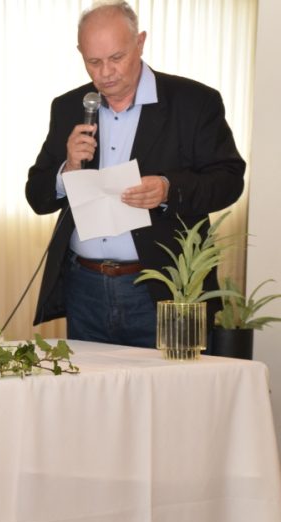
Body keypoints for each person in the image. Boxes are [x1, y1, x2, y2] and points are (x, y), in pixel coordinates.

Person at [25, 1, 245, 347]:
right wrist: (67, 169)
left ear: (140, 43)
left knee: (169, 384)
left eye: (116, 57)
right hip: (85, 288)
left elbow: (229, 180)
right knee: (89, 384)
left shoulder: (193, 102)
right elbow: (37, 196)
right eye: (93, 62)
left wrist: (168, 188)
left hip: (163, 290)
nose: (106, 72)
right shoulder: (69, 107)